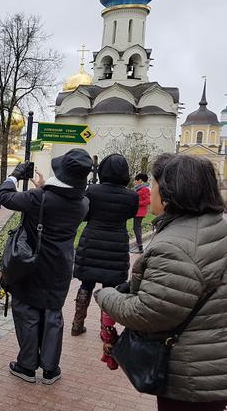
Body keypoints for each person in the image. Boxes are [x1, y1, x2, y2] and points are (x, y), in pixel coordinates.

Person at [95, 154, 227, 411]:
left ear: (169, 192)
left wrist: (107, 296)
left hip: (190, 374)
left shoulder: (174, 246)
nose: (151, 190)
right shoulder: (214, 226)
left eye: (155, 184)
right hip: (213, 359)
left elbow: (149, 313)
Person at [0, 149, 93, 385]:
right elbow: (59, 201)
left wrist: (15, 176)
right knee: (53, 315)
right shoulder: (83, 203)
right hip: (60, 268)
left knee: (28, 313)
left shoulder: (37, 199)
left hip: (32, 266)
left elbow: (4, 196)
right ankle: (50, 369)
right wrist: (43, 188)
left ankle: (27, 367)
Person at [72, 154, 138, 370]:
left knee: (85, 284)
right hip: (116, 243)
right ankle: (106, 330)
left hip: (92, 240)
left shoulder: (91, 191)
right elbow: (129, 215)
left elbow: (84, 215)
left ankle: (77, 323)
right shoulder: (132, 196)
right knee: (110, 289)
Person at [130, 172, 151, 253]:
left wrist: (137, 203)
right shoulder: (139, 188)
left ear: (140, 180)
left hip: (140, 212)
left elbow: (147, 201)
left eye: (136, 180)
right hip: (137, 211)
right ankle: (140, 245)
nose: (135, 181)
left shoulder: (144, 189)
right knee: (137, 228)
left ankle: (140, 246)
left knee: (136, 228)